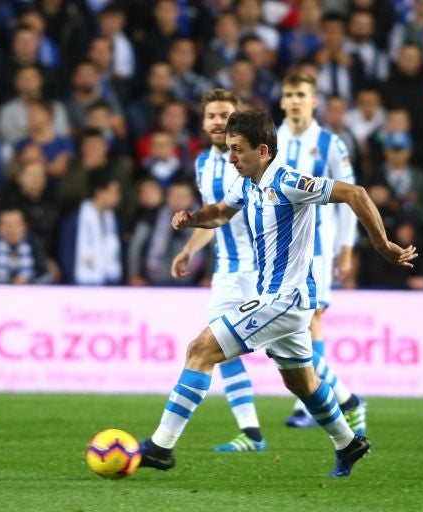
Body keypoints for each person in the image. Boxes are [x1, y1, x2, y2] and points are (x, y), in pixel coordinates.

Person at [139, 108, 418, 477]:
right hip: (280, 298)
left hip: (285, 298)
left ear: (264, 150)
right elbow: (222, 213)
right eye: (229, 148)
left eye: (238, 149)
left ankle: (161, 447)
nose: (232, 157)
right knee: (302, 382)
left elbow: (355, 192)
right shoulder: (246, 182)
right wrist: (193, 218)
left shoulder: (288, 182)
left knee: (200, 350)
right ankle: (348, 443)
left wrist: (382, 245)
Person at [170, 89, 264, 452]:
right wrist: (188, 249)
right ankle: (251, 433)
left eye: (225, 114)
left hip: (261, 271)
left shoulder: (254, 160)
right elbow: (215, 216)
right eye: (211, 115)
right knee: (212, 347)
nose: (217, 121)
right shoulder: (202, 164)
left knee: (290, 357)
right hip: (226, 271)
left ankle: (347, 403)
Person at [275, 73, 367, 433]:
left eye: (301, 94)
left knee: (311, 319)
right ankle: (344, 399)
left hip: (316, 248)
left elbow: (349, 197)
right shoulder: (270, 141)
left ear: (314, 101)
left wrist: (346, 249)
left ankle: (308, 403)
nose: (295, 100)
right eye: (289, 94)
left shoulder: (331, 144)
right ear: (282, 101)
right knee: (286, 328)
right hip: (276, 249)